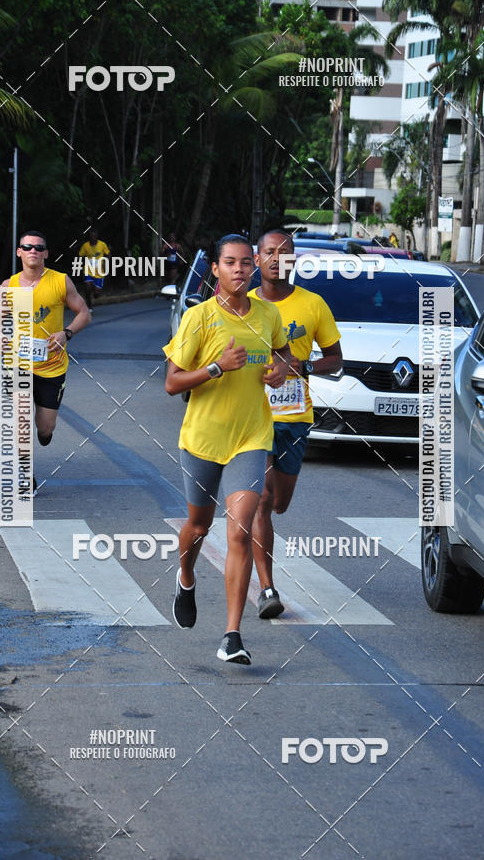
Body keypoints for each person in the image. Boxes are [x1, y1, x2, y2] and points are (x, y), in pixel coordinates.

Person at [164, 233, 291, 664]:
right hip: (202, 439)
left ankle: (231, 635)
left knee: (238, 530)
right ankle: (185, 576)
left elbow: (284, 355)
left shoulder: (269, 315)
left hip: (251, 438)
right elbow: (172, 382)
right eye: (229, 263)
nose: (238, 270)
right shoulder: (198, 319)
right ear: (215, 270)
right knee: (198, 527)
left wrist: (280, 372)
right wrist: (217, 367)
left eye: (244, 263)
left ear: (253, 267)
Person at [250, 230, 342, 618]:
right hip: (253, 418)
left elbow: (336, 360)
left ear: (293, 260)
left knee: (280, 503)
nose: (276, 258)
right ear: (257, 260)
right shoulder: (242, 305)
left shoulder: (313, 304)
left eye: (284, 253)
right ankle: (267, 588)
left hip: (295, 419)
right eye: (268, 252)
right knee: (263, 501)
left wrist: (301, 366)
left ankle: (266, 570)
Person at [0, 230, 90, 490]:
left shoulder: (60, 281)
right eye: (27, 246)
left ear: (45, 253)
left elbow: (84, 313)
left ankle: (44, 435)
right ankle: (25, 474)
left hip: (52, 367)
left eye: (38, 247)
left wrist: (67, 333)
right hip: (18, 365)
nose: (33, 250)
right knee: (20, 419)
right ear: (19, 252)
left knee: (44, 428)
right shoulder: (8, 286)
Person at [78, 228, 110, 311]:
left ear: (96, 237)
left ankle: (95, 292)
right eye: (91, 236)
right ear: (89, 237)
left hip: (99, 271)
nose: (92, 238)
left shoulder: (102, 245)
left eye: (94, 236)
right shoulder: (85, 246)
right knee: (87, 288)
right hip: (88, 270)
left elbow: (108, 254)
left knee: (96, 294)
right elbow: (80, 256)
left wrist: (105, 262)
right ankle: (89, 307)